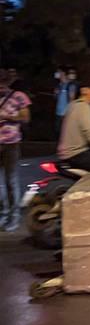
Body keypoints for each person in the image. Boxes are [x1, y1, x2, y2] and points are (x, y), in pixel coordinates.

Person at [0, 70, 32, 232]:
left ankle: (15, 216)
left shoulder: (18, 96)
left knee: (11, 180)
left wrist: (8, 116)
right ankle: (4, 215)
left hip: (11, 143)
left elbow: (26, 117)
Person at [54, 66, 79, 136]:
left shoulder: (70, 85)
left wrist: (71, 112)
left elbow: (72, 98)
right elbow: (57, 98)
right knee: (58, 132)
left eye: (59, 72)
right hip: (58, 112)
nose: (57, 74)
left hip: (66, 113)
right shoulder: (59, 85)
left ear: (63, 73)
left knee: (66, 133)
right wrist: (56, 93)